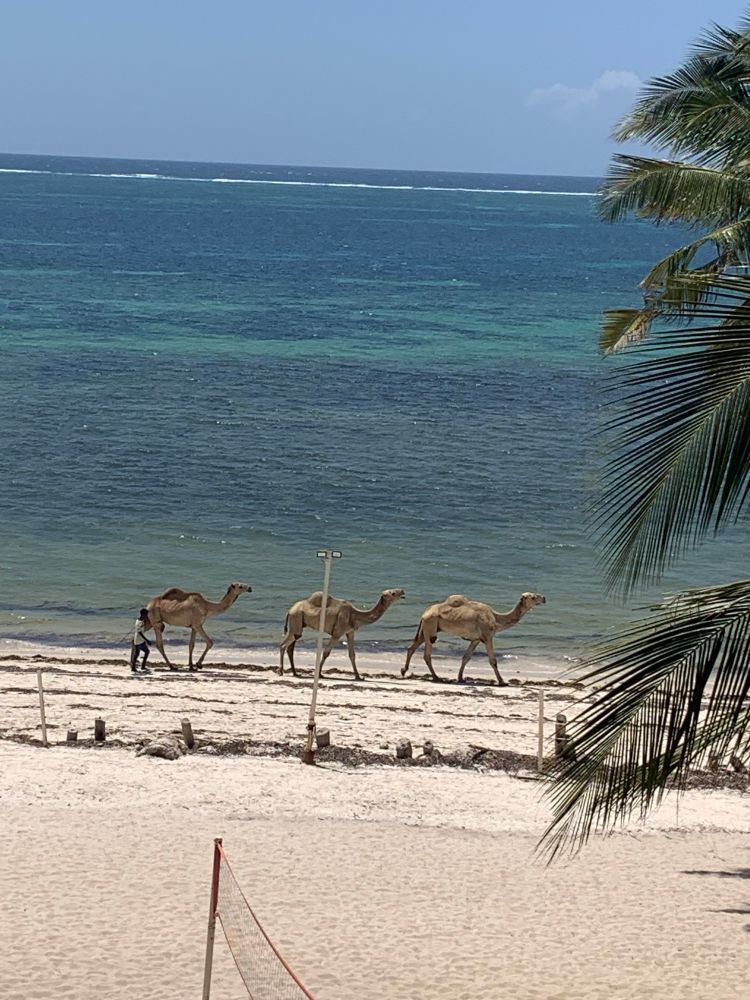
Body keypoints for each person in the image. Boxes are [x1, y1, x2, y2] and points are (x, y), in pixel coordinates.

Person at [131, 608, 152, 673]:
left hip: (141, 641)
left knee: (147, 651)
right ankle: (133, 667)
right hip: (137, 641)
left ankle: (143, 666)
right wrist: (147, 640)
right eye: (146, 615)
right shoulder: (139, 622)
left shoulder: (141, 620)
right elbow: (139, 632)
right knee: (136, 654)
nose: (147, 616)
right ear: (143, 615)